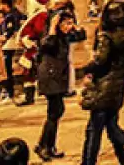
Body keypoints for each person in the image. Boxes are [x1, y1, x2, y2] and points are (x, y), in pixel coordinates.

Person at [77, 0, 124, 165]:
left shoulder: (106, 36)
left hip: (103, 85)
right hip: (119, 84)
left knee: (94, 129)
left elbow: (100, 61)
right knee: (112, 126)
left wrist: (85, 69)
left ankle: (88, 163)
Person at [34, 9, 86, 161]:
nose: (70, 26)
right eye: (67, 23)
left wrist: (75, 26)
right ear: (58, 23)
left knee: (56, 112)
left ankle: (48, 145)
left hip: (58, 77)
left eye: (71, 23)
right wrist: (52, 27)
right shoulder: (50, 36)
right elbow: (45, 45)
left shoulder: (64, 36)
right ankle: (43, 146)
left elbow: (81, 36)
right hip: (50, 77)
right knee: (54, 112)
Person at [0, 0, 25, 106]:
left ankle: (9, 92)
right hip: (8, 44)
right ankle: (7, 91)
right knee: (6, 69)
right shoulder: (12, 14)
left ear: (5, 5)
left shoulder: (10, 16)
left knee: (6, 69)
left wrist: (3, 39)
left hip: (8, 45)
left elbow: (10, 30)